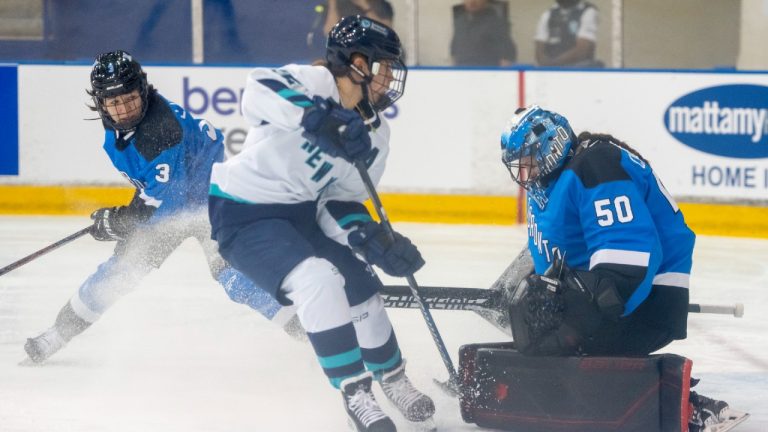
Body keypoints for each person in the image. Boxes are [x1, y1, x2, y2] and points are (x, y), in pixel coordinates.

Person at [208, 15, 435, 432]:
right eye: (382, 67)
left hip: (304, 215)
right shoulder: (313, 83)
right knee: (318, 280)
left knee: (361, 287)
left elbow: (340, 199)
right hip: (245, 212)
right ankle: (355, 393)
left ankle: (394, 379)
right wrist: (317, 117)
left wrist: (369, 238)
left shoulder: (375, 134)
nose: (388, 79)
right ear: (355, 63)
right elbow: (258, 90)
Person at [24, 50, 299, 364]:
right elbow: (158, 192)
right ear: (101, 103)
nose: (124, 109)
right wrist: (125, 218)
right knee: (119, 273)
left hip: (212, 204)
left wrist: (120, 221)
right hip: (174, 199)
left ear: (142, 91)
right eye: (114, 103)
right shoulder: (125, 127)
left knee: (237, 281)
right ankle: (58, 333)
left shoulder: (159, 133)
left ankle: (313, 331)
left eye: (129, 99)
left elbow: (167, 204)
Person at [499, 105, 749, 432]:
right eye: (519, 165)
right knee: (537, 330)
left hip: (649, 296)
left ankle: (686, 404)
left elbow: (629, 256)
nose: (525, 173)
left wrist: (578, 315)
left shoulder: (595, 167)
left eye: (530, 161)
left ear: (552, 146)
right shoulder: (548, 182)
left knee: (575, 354)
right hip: (604, 286)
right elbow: (555, 249)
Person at [534, 0, 602, 67]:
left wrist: (553, 64)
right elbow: (539, 50)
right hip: (550, 71)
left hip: (578, 70)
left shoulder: (588, 12)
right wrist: (547, 66)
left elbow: (582, 50)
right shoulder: (547, 14)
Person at [450, 0, 517, 67]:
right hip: (462, 71)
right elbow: (454, 50)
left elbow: (507, 56)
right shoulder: (460, 21)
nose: (472, 1)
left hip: (487, 72)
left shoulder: (496, 22)